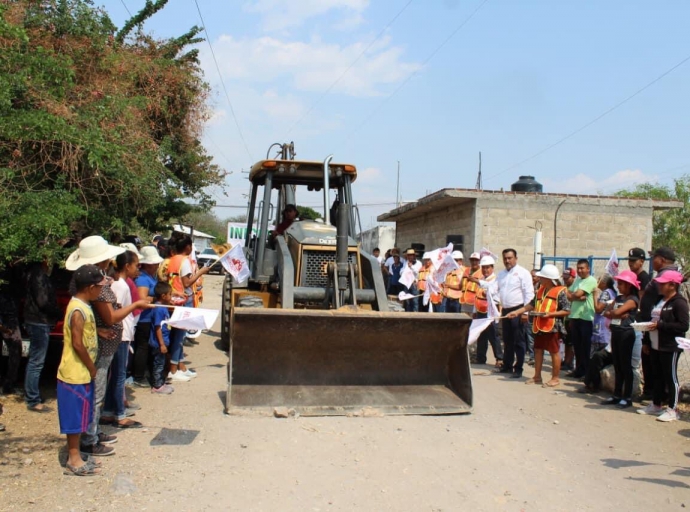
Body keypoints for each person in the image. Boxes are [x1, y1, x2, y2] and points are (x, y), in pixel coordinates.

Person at [65, 236, 152, 457]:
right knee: (97, 393)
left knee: (98, 392)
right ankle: (89, 438)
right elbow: (110, 317)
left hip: (102, 342)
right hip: (99, 349)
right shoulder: (96, 285)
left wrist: (97, 329)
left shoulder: (95, 281)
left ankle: (92, 432)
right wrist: (134, 305)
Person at [57, 265, 105, 476]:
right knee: (74, 418)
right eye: (99, 287)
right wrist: (92, 366)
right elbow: (77, 343)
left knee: (82, 414)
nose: (101, 291)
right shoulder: (77, 309)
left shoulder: (84, 306)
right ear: (90, 287)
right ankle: (73, 458)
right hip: (74, 372)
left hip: (82, 372)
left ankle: (76, 454)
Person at [637, 270, 689, 422]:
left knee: (670, 377)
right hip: (655, 344)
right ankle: (656, 404)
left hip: (670, 346)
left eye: (663, 283)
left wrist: (661, 325)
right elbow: (652, 321)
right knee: (657, 375)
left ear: (672, 285)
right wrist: (646, 341)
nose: (659, 285)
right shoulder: (660, 300)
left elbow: (683, 325)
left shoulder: (679, 302)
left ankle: (673, 409)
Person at [100, 250, 143, 428]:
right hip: (121, 333)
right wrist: (136, 305)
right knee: (119, 375)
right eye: (136, 265)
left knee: (116, 374)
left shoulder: (121, 284)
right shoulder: (121, 286)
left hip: (122, 332)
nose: (137, 268)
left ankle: (109, 411)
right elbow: (116, 312)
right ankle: (119, 415)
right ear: (127, 266)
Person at [508, 264, 569, 387]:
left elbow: (567, 310)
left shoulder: (560, 292)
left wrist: (550, 314)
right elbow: (531, 305)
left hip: (553, 326)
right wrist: (516, 312)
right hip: (539, 324)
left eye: (542, 277)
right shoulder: (541, 290)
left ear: (548, 279)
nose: (539, 279)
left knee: (554, 351)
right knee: (538, 350)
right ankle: (537, 376)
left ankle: (555, 378)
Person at [637, 247, 677, 401]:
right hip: (652, 325)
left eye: (654, 258)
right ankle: (654, 395)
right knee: (650, 359)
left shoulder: (668, 277)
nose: (652, 261)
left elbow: (664, 301)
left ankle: (660, 395)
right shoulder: (662, 275)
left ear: (662, 259)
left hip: (659, 327)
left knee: (658, 364)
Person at [166, 235, 207, 381]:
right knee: (178, 337)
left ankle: (181, 365)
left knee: (179, 335)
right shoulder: (185, 261)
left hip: (173, 300)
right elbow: (187, 282)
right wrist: (201, 272)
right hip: (182, 300)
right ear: (188, 247)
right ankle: (173, 369)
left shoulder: (172, 260)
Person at [24, 260, 61, 412]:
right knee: (36, 361)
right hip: (38, 321)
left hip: (37, 320)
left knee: (36, 361)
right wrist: (57, 312)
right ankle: (32, 399)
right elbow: (42, 301)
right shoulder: (38, 276)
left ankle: (32, 395)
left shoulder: (34, 274)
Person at [600, 270, 640, 409]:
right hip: (616, 332)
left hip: (626, 334)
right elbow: (606, 312)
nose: (618, 286)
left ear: (629, 285)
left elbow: (615, 312)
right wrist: (615, 315)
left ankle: (627, 397)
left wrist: (615, 314)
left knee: (625, 366)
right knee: (617, 364)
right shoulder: (619, 298)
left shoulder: (632, 300)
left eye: (622, 283)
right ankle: (617, 395)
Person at [494, 249, 535, 378]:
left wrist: (525, 313)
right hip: (506, 311)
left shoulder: (523, 273)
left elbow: (529, 293)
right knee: (507, 340)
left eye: (510, 258)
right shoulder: (501, 274)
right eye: (505, 258)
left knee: (519, 341)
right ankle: (507, 365)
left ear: (516, 258)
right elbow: (495, 288)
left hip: (519, 310)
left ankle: (519, 368)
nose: (507, 261)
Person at [132, 246, 163, 387]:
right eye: (154, 263)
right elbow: (142, 299)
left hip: (150, 317)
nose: (157, 266)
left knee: (146, 347)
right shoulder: (143, 279)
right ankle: (138, 376)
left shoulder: (149, 277)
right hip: (144, 318)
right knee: (143, 347)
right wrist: (158, 298)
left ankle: (144, 373)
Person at [565, 259, 597, 379]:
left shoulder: (591, 280)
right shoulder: (578, 280)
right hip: (575, 316)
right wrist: (576, 297)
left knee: (585, 347)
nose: (580, 270)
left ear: (588, 269)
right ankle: (579, 370)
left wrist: (575, 296)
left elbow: (576, 294)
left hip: (586, 317)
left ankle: (586, 372)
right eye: (578, 268)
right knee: (577, 346)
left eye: (582, 268)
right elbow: (567, 294)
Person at [474, 256, 503, 367]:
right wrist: (475, 310)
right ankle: (480, 358)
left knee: (493, 335)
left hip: (491, 310)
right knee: (481, 335)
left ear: (492, 268)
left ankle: (499, 358)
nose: (485, 270)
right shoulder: (482, 279)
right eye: (483, 268)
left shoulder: (495, 279)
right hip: (480, 310)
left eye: (487, 268)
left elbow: (496, 295)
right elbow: (476, 295)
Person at [149, 282, 175, 394]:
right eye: (170, 294)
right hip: (159, 343)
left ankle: (161, 381)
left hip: (164, 341)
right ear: (163, 296)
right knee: (158, 364)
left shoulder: (163, 307)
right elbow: (157, 327)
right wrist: (162, 344)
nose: (171, 297)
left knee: (161, 363)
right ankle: (157, 386)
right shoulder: (159, 309)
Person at [0, 284, 21, 396]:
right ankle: (8, 384)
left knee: (16, 351)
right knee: (15, 351)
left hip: (10, 317)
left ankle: (9, 384)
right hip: (7, 319)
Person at [591, 275, 616, 354]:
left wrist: (595, 296)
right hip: (606, 325)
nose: (597, 281)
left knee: (597, 352)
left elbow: (598, 309)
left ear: (604, 283)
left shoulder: (606, 293)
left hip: (601, 325)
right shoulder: (612, 292)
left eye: (599, 280)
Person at [561, 268, 576, 372]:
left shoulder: (575, 288)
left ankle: (569, 362)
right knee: (566, 342)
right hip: (565, 318)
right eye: (564, 278)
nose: (565, 280)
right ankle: (566, 361)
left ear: (573, 277)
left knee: (571, 342)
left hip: (572, 317)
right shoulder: (565, 287)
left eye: (568, 278)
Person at [403, 249, 422, 313]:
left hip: (414, 283)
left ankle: (415, 314)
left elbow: (419, 273)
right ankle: (408, 314)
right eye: (408, 255)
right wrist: (403, 272)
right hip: (407, 283)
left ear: (414, 256)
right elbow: (402, 270)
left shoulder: (419, 263)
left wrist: (411, 267)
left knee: (415, 301)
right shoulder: (405, 263)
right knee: (407, 301)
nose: (409, 257)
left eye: (411, 255)